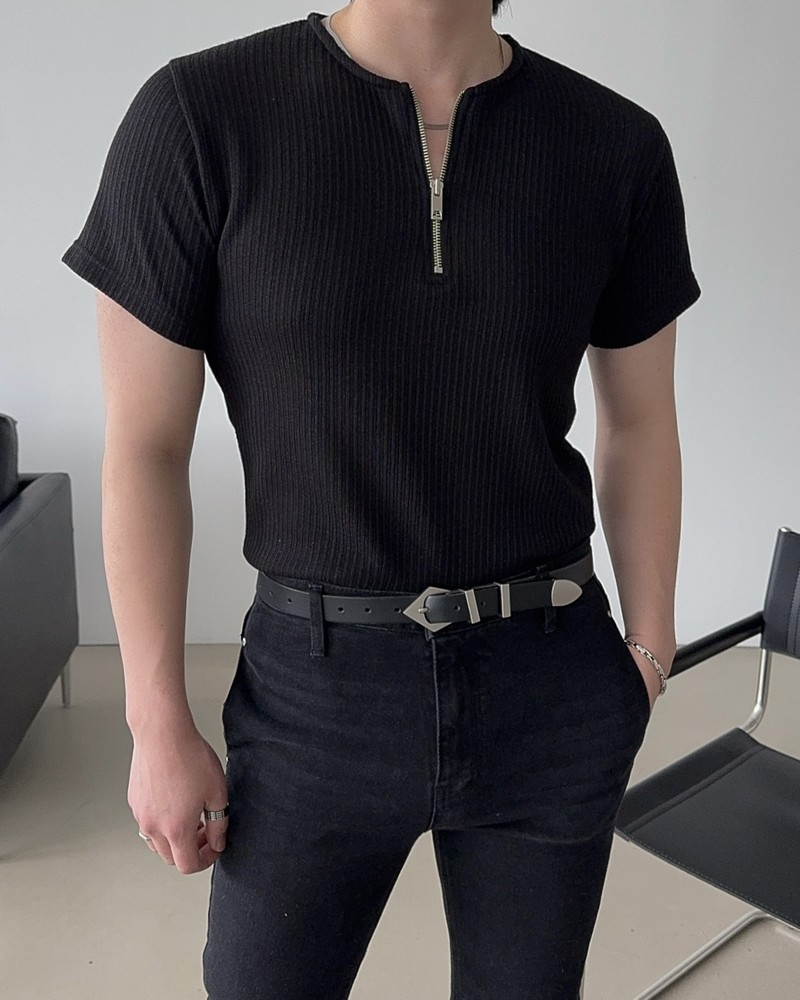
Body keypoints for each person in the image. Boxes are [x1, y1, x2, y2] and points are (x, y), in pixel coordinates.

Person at [61, 1, 701, 996]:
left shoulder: (612, 144)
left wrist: (648, 650)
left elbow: (640, 422)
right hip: (314, 692)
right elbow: (146, 447)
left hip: (551, 675)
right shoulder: (201, 115)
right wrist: (155, 720)